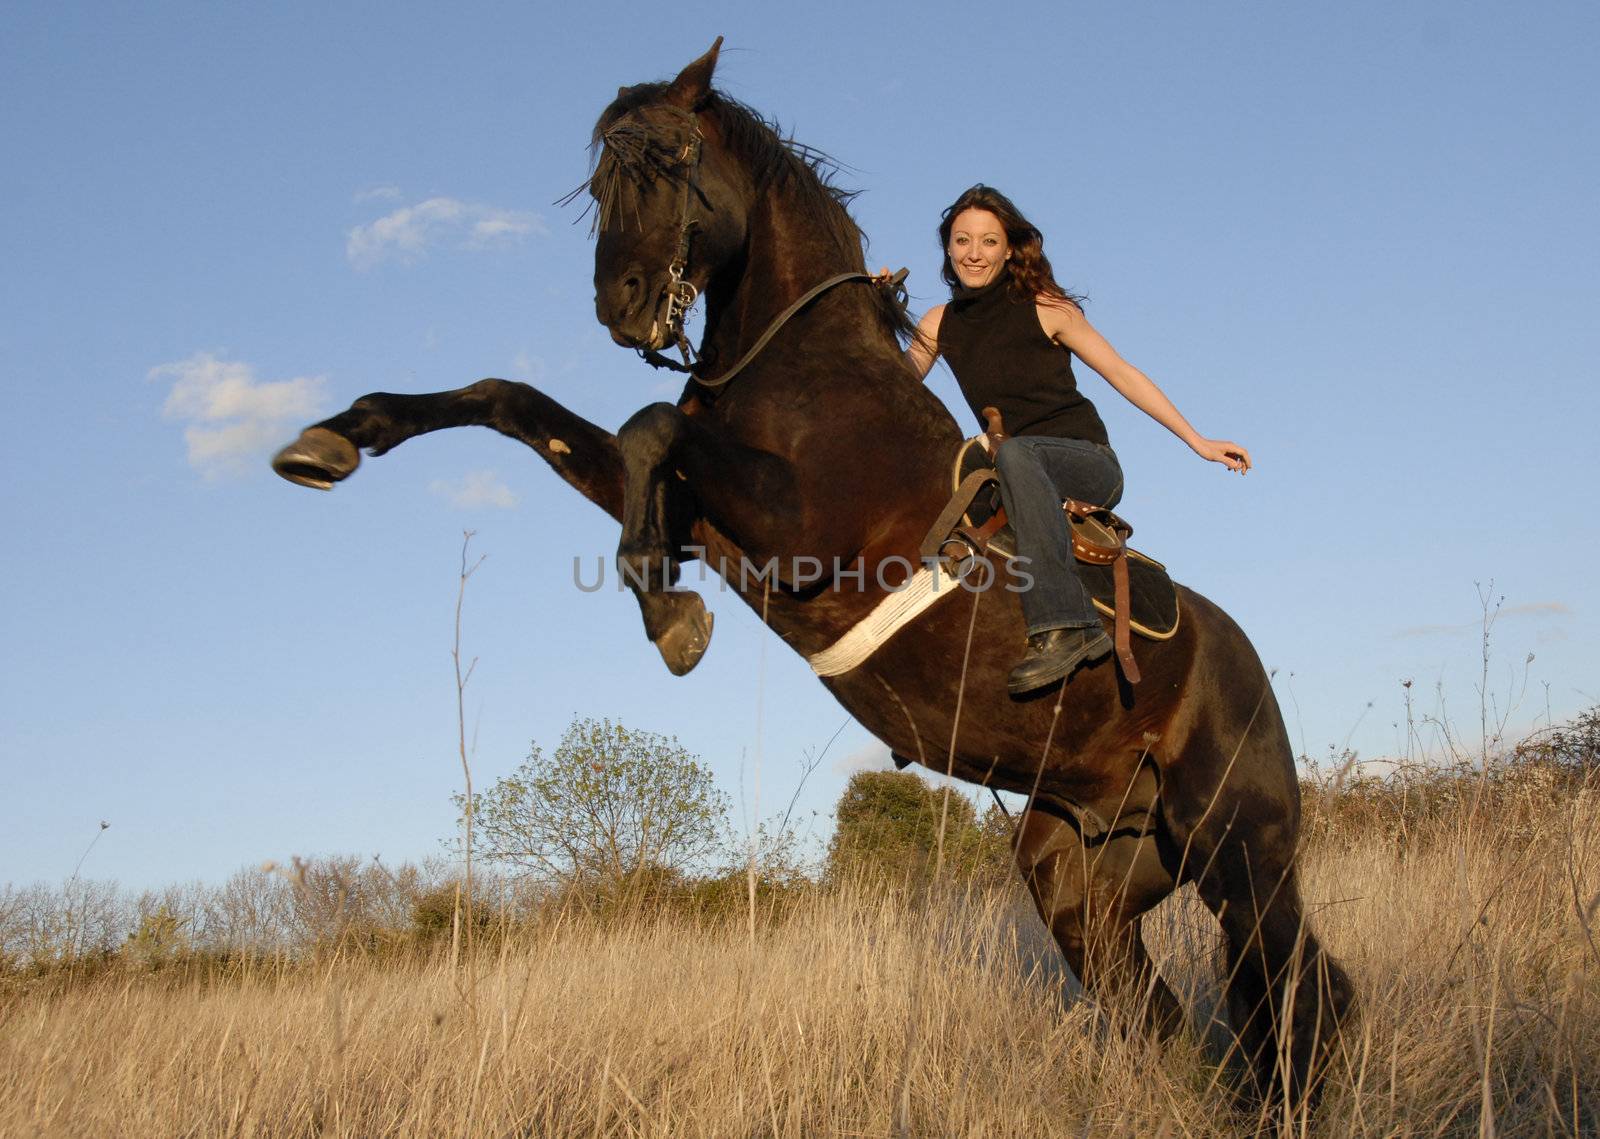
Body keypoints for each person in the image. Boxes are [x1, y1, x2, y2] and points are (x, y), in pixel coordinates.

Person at [893, 185, 1252, 695]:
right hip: (1014, 470)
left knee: (1015, 451)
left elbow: (1123, 373)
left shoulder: (1046, 307)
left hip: (1086, 462)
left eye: (989, 241)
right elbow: (893, 382)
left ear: (1011, 248)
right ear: (948, 248)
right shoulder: (938, 323)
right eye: (962, 240)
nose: (974, 253)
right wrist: (869, 310)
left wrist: (1197, 440)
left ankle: (1070, 625)